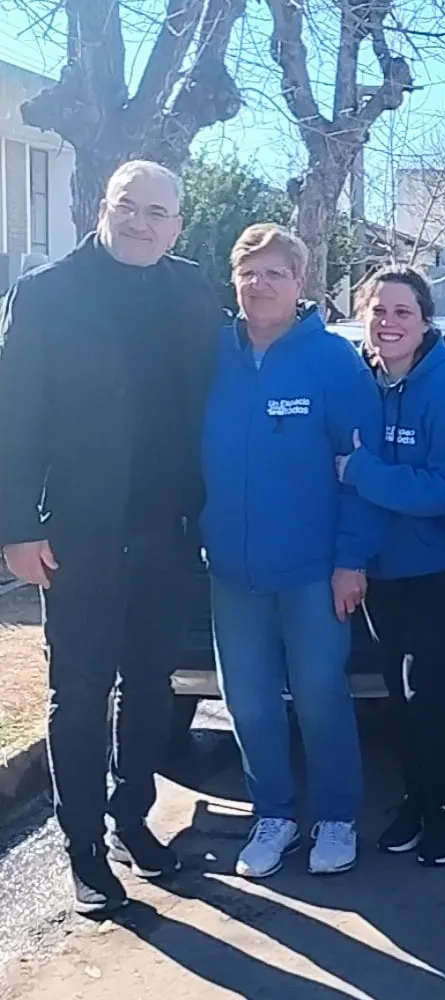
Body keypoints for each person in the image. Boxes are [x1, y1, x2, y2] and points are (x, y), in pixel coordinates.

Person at [0, 160, 221, 917]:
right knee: (79, 691)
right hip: (76, 537)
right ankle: (84, 849)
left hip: (168, 532)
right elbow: (14, 417)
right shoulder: (48, 294)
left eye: (158, 212)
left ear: (177, 226)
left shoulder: (194, 295)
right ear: (106, 206)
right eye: (130, 206)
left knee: (152, 688)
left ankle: (133, 821)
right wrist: (16, 527)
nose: (141, 222)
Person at [202, 224, 380, 881]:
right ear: (235, 281)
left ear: (300, 283)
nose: (260, 285)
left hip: (313, 571)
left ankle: (336, 818)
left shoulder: (332, 361)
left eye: (275, 273)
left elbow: (362, 468)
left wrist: (351, 559)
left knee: (318, 695)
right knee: (246, 700)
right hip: (231, 568)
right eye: (249, 273)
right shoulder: (212, 354)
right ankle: (272, 815)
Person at [336, 267, 445, 868]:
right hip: (381, 572)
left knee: (431, 694)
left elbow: (444, 488)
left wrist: (363, 472)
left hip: (440, 570)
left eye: (402, 312)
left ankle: (443, 811)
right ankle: (413, 803)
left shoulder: (444, 386)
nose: (388, 323)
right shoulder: (358, 383)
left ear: (424, 323)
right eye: (379, 311)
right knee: (396, 693)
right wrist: (351, 557)